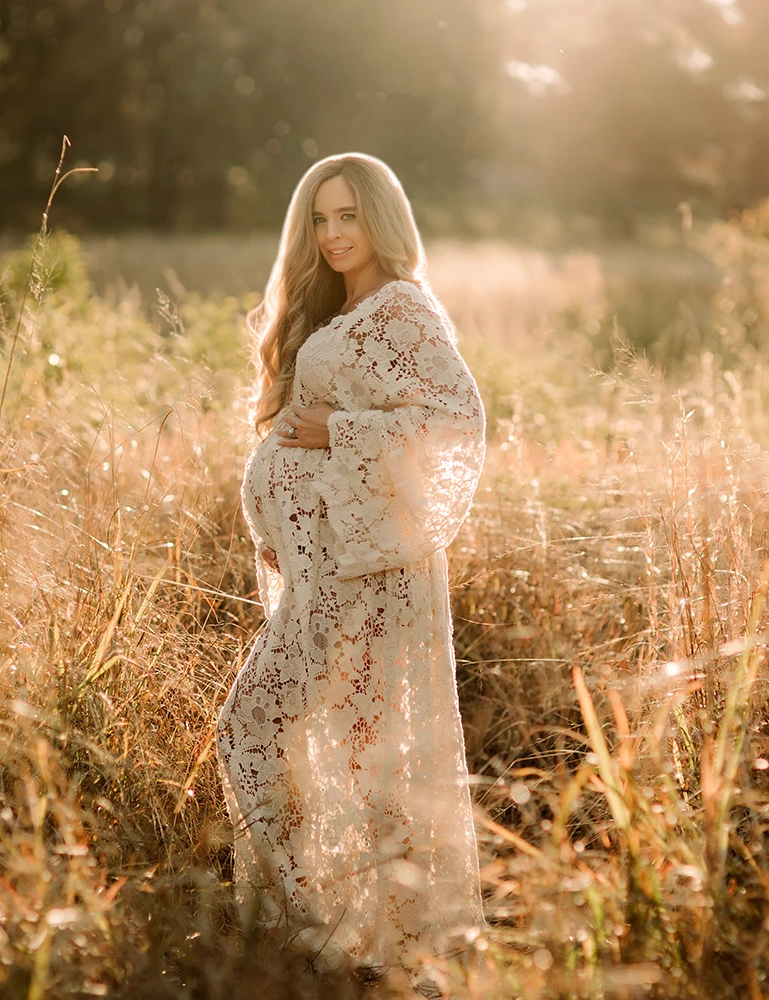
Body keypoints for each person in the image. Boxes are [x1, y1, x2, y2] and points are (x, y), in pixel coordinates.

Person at [215, 152, 486, 989]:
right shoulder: (338, 308)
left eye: (348, 217)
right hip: (319, 584)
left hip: (370, 585)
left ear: (380, 219)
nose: (333, 235)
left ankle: (368, 947)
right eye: (320, 219)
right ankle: (328, 929)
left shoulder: (402, 309)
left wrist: (335, 431)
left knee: (345, 751)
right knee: (270, 736)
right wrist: (282, 519)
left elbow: (455, 424)